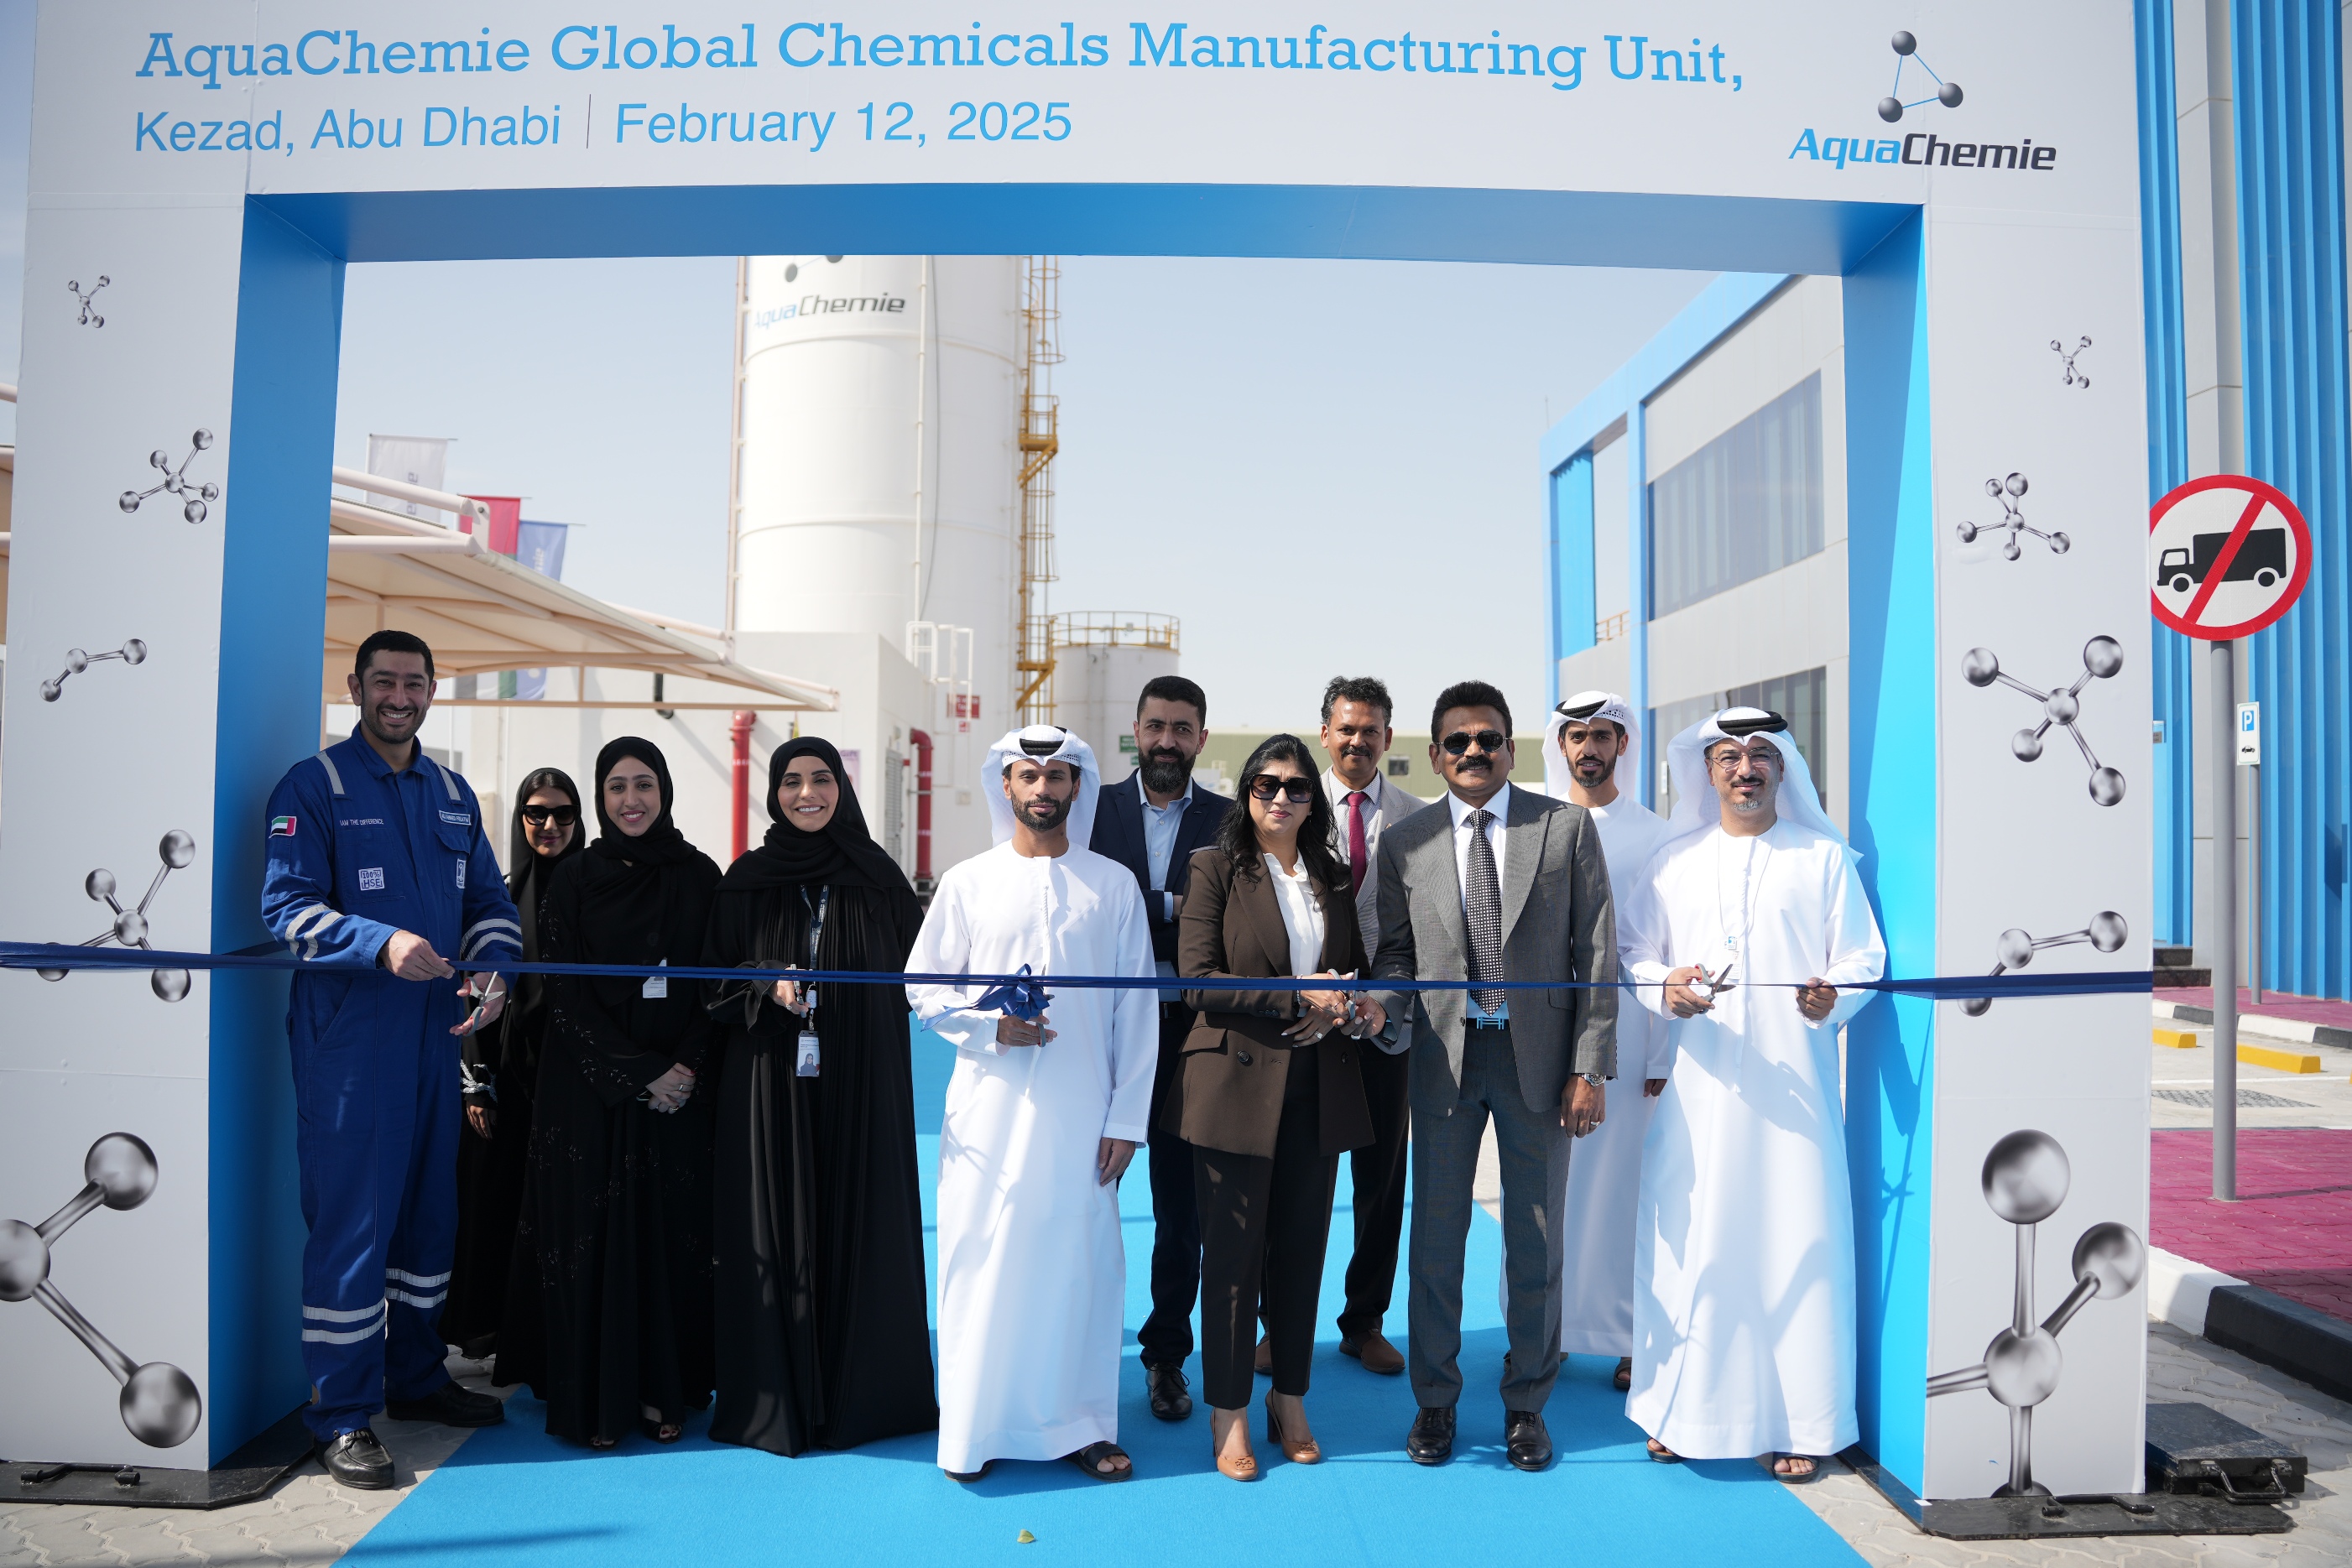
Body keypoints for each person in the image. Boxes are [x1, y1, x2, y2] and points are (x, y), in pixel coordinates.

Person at [260, 629, 516, 1489]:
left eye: (414, 683)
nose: (399, 697)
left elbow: (490, 901)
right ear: (356, 686)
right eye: (384, 682)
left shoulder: (452, 792)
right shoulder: (314, 786)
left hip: (435, 1036)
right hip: (351, 1042)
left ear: (432, 690)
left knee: (427, 1217)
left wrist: (495, 969)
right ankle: (340, 1414)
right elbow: (285, 908)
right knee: (354, 1225)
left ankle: (414, 1376)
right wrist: (381, 943)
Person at [1620, 708, 1885, 1482]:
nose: (1745, 768)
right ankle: (1680, 1410)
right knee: (1694, 1242)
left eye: (1761, 754)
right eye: (1729, 756)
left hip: (1795, 1098)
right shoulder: (1673, 861)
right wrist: (1664, 986)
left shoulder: (1822, 858)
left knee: (1793, 1242)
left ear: (1782, 768)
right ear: (1706, 771)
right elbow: (1633, 953)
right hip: (1699, 1096)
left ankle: (1800, 1421)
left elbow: (1862, 957)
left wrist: (1831, 994)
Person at [1369, 680, 1617, 1474]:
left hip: (1537, 1062)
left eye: (1487, 739)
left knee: (1535, 1242)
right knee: (1436, 1240)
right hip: (1443, 1062)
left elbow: (1596, 954)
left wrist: (1588, 1064)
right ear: (1435, 754)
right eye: (1458, 741)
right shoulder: (1405, 842)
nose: (1473, 751)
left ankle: (1526, 1405)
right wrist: (1380, 1007)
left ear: (1511, 748)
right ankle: (1435, 1401)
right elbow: (1396, 955)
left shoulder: (1563, 827)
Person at [907, 725, 1156, 1484]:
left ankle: (1078, 1426)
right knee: (982, 1259)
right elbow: (924, 987)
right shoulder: (967, 882)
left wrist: (1126, 1119)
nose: (1042, 788)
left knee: (1077, 1266)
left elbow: (1137, 1011)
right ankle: (973, 1428)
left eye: (1056, 775)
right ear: (1006, 785)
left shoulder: (1113, 885)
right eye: (1028, 775)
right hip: (986, 1113)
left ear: (1077, 786)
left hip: (1083, 1117)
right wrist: (987, 1029)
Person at [702, 737, 937, 1456]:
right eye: (792, 781)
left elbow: (926, 974)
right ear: (774, 792)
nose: (807, 793)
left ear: (842, 787)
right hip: (769, 1078)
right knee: (776, 1221)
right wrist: (762, 979)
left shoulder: (879, 876)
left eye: (822, 779)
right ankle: (779, 1400)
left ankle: (865, 1399)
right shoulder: (746, 877)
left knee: (861, 1213)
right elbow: (709, 981)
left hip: (865, 1074)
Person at [497, 739, 722, 1449]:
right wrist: (639, 1070)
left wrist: (683, 1067)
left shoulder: (699, 874)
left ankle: (661, 1386)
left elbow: (715, 981)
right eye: (617, 786)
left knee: (667, 1238)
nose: (631, 799)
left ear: (665, 791)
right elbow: (562, 994)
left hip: (676, 1095)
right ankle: (594, 1394)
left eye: (644, 784)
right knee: (592, 1239)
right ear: (601, 796)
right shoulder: (574, 879)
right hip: (588, 1092)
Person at [1176, 735, 1388, 1481]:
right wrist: (1298, 995)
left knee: (1301, 1253)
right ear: (1246, 792)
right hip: (1234, 1085)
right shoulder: (1214, 867)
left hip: (1317, 1083)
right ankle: (1229, 1410)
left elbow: (1349, 969)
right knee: (1232, 1259)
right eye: (1266, 784)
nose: (1281, 797)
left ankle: (1289, 1396)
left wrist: (1349, 1006)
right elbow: (1196, 979)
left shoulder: (1331, 875)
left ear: (1312, 801)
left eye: (1297, 787)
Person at [1499, 692, 1675, 1392]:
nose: (1589, 748)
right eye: (1577, 736)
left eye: (1602, 735)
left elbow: (1665, 947)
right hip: (1541, 1032)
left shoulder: (1657, 835)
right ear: (1561, 745)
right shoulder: (1530, 825)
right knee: (1539, 1187)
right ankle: (1541, 1330)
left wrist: (1659, 1052)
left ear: (1621, 744)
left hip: (1628, 1036)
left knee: (1627, 1190)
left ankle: (1629, 1336)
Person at [1087, 674, 1228, 1422]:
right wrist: (1172, 906)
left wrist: (1142, 909)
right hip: (1095, 1035)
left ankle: (1165, 1356)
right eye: (1155, 726)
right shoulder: (1088, 807)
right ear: (1135, 731)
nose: (1166, 741)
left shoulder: (1230, 820)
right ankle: (1075, 1349)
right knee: (1081, 1196)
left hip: (1188, 1037)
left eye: (1181, 728)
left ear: (1200, 737)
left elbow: (1227, 921)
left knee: (1181, 1213)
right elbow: (1080, 905)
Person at [1311, 675, 1431, 1377]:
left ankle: (1364, 1321)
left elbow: (1426, 931)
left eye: (1370, 730)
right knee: (1299, 1180)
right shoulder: (1288, 807)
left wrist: (1385, 1001)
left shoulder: (1420, 818)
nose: (1357, 740)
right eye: (1346, 728)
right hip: (1307, 1026)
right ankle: (1280, 1322)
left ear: (1388, 737)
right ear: (1324, 732)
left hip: (1389, 1029)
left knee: (1381, 1185)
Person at [443, 768, 584, 1362]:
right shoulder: (495, 896)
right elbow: (472, 992)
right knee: (496, 1202)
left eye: (562, 813)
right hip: (506, 1079)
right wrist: (476, 1084)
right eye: (536, 813)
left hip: (577, 1078)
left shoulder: (595, 891)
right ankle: (492, 1331)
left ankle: (558, 1336)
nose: (549, 825)